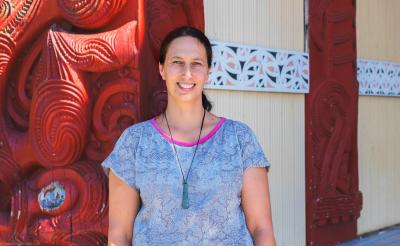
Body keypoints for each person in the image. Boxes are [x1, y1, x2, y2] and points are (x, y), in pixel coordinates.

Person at [102, 26, 276, 246]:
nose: (187, 73)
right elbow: (119, 236)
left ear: (208, 72)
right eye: (177, 62)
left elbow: (261, 229)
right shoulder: (134, 142)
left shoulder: (240, 138)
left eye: (197, 64)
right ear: (162, 69)